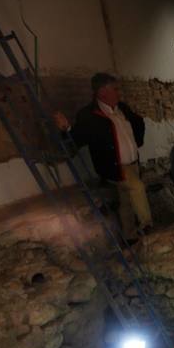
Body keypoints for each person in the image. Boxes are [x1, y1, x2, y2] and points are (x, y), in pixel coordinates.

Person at [53, 73, 152, 241]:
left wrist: (137, 135)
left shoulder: (122, 108)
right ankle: (147, 223)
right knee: (138, 187)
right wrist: (66, 129)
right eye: (115, 89)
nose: (118, 92)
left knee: (126, 202)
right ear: (102, 93)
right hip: (115, 166)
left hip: (133, 163)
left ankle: (130, 236)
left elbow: (136, 123)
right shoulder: (90, 115)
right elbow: (78, 137)